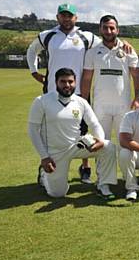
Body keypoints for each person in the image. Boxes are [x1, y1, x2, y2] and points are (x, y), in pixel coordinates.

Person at [26, 3, 102, 184]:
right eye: (63, 15)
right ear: (57, 17)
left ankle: (85, 168)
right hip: (52, 92)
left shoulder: (87, 37)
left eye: (70, 16)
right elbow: (31, 50)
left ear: (76, 18)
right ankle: (45, 165)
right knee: (48, 131)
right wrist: (34, 71)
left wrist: (125, 44)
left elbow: (107, 45)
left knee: (82, 130)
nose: (67, 19)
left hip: (79, 93)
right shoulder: (47, 35)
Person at [28, 68, 117, 198]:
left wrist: (100, 140)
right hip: (55, 152)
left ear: (75, 82)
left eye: (70, 81)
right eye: (63, 82)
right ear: (56, 82)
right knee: (57, 193)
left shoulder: (81, 102)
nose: (67, 85)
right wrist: (44, 157)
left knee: (108, 147)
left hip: (77, 146)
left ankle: (103, 185)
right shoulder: (42, 101)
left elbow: (94, 124)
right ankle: (44, 175)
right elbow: (33, 130)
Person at [81, 14, 139, 145]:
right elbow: (86, 79)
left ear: (117, 30)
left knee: (126, 145)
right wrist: (84, 103)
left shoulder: (128, 50)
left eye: (112, 28)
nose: (109, 31)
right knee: (101, 144)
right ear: (100, 30)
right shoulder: (92, 52)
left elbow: (136, 76)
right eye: (105, 28)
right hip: (100, 107)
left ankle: (127, 167)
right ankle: (103, 167)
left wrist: (137, 98)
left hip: (123, 107)